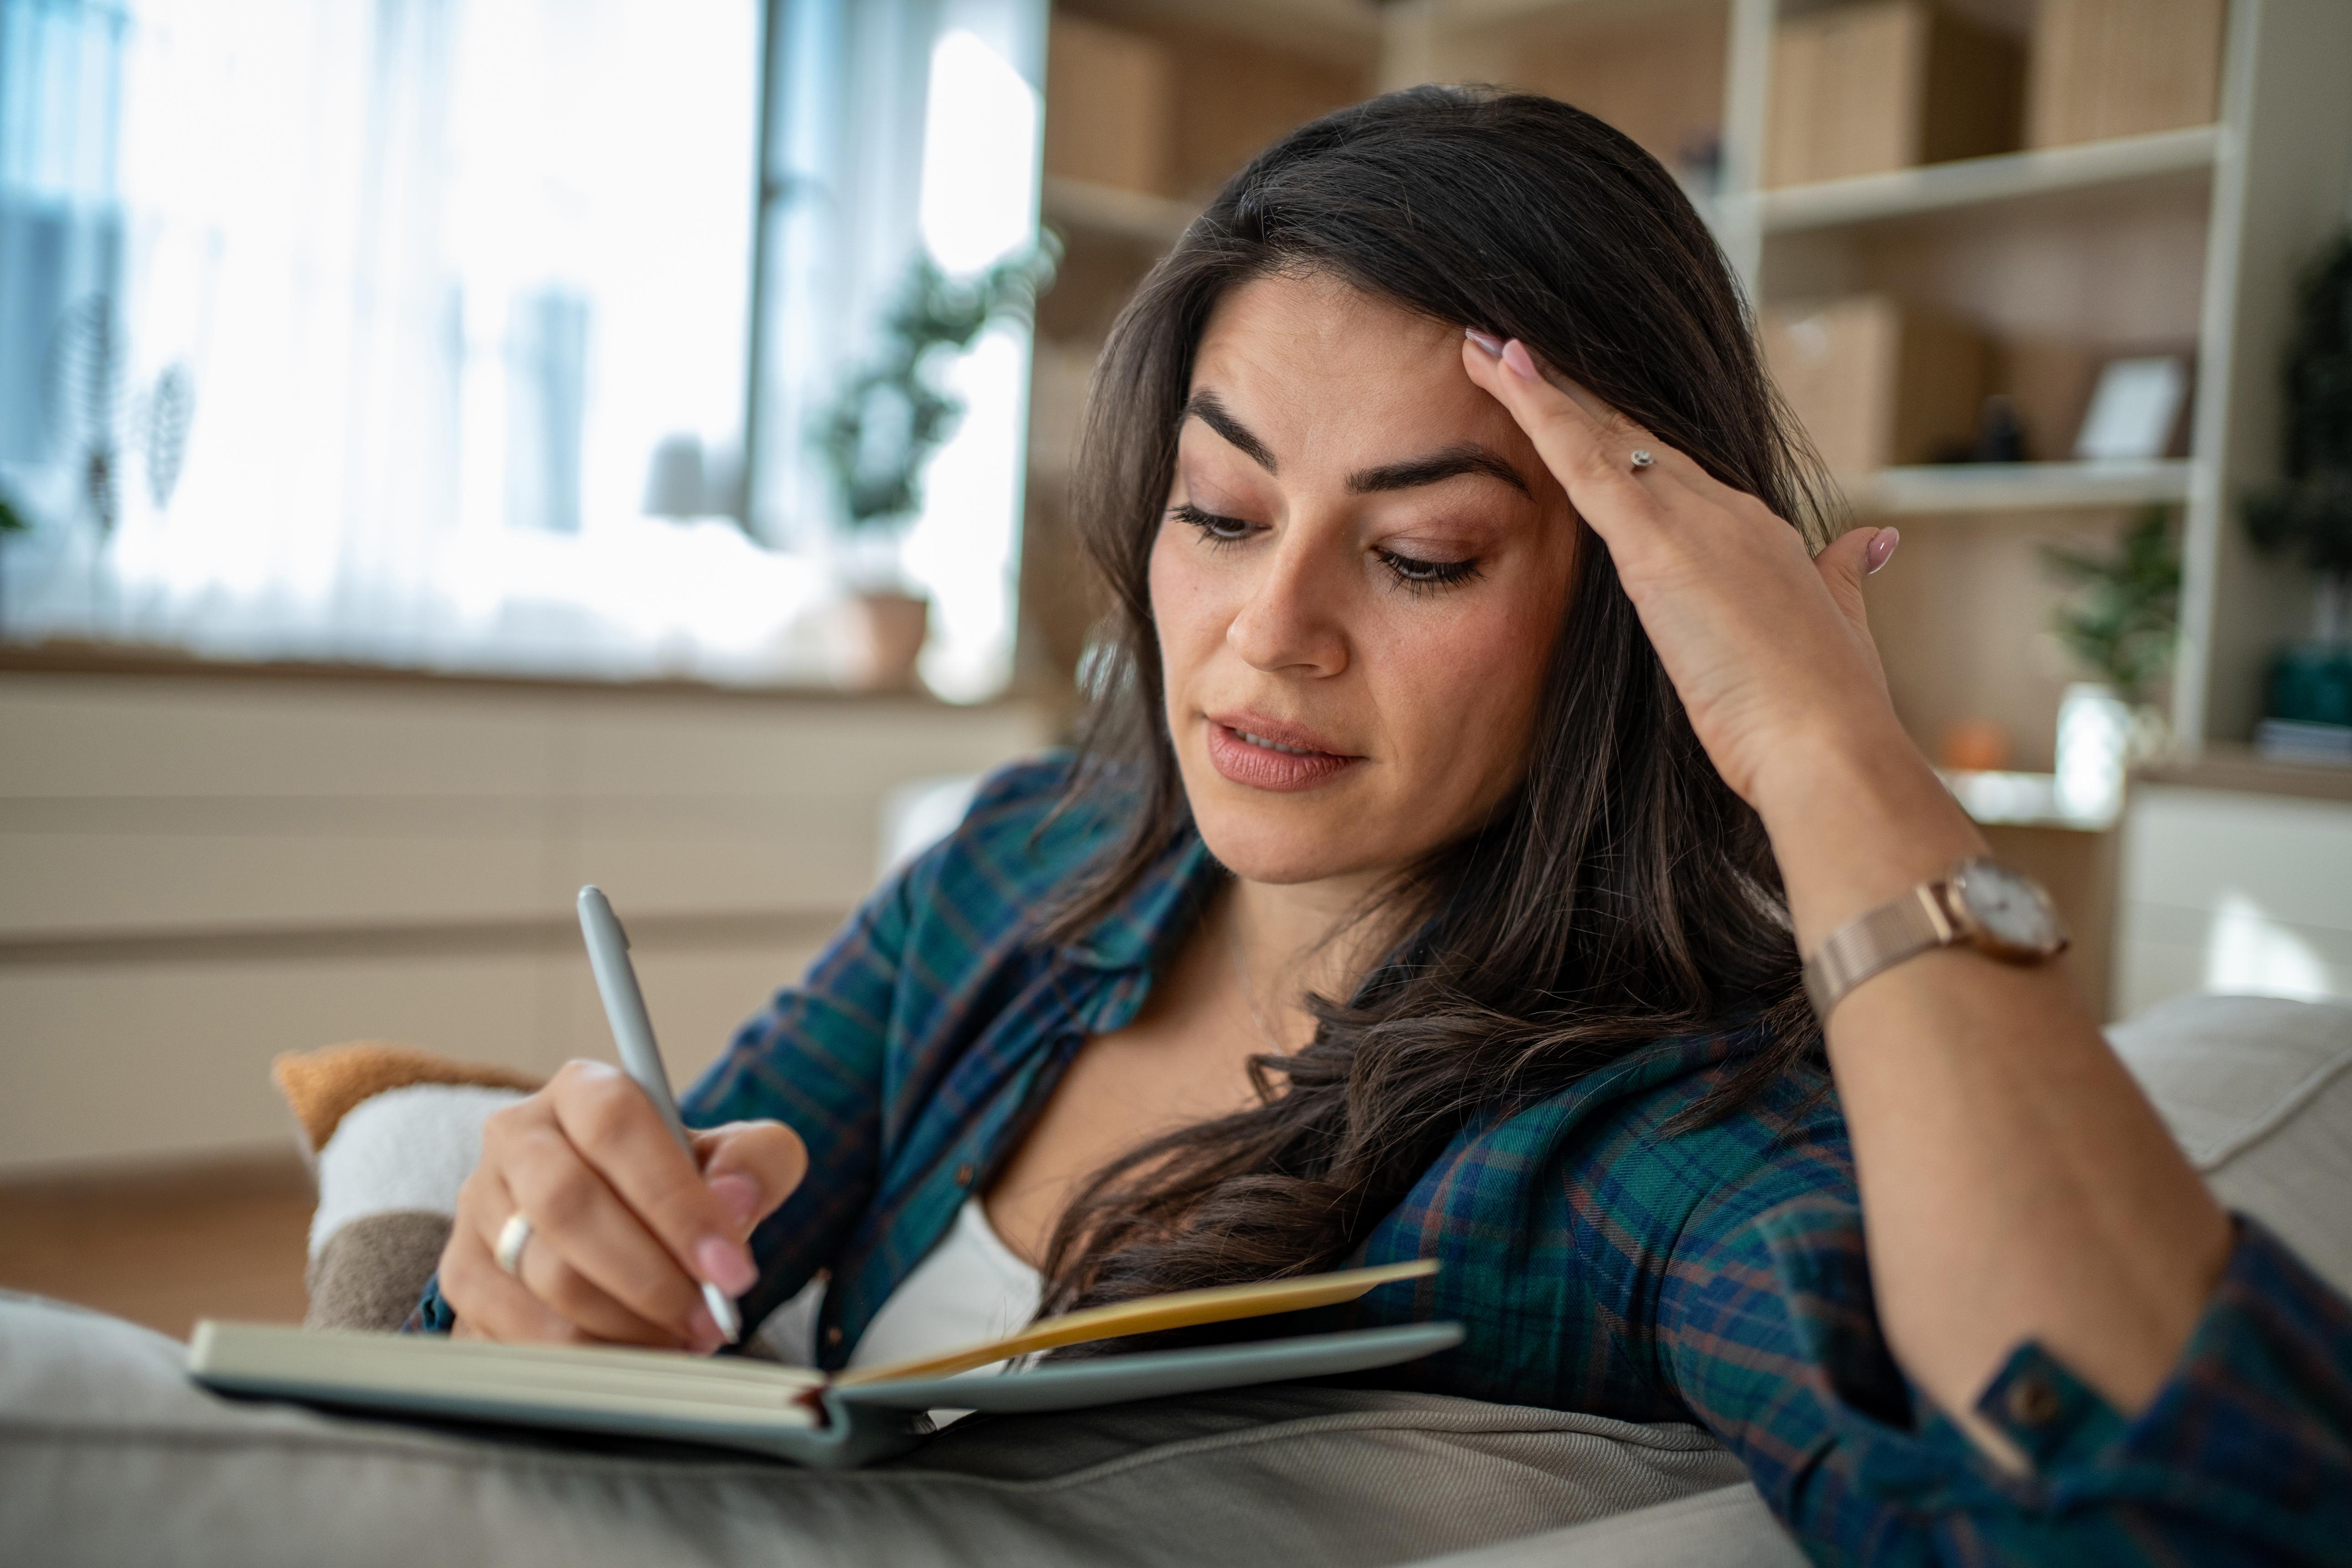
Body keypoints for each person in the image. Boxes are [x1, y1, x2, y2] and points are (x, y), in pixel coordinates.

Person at [417, 88, 2352, 1561]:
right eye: (1224, 512)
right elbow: (596, 1270)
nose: (1271, 634)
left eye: (1421, 553)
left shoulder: (1625, 1136)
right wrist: (552, 1254)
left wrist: (1839, 757)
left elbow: (2161, 1508)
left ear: (1618, 595)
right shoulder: (1028, 861)